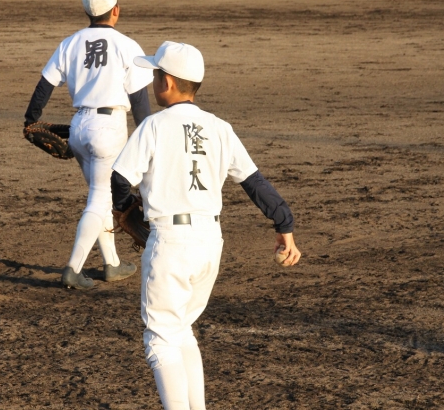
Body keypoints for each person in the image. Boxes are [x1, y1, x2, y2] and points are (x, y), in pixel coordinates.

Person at [111, 41, 302, 409]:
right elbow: (254, 183)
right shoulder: (219, 127)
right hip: (209, 243)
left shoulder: (153, 125)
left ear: (167, 82)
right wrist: (284, 224)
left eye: (156, 75)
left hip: (170, 242)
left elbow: (120, 178)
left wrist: (124, 208)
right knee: (181, 330)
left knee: (159, 339)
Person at [23, 0, 153, 290]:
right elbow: (139, 101)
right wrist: (148, 139)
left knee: (100, 195)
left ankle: (112, 264)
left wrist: (31, 120)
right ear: (115, 11)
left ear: (88, 12)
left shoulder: (70, 43)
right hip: (109, 129)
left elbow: (45, 85)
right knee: (99, 199)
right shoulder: (126, 45)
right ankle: (73, 268)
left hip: (79, 128)